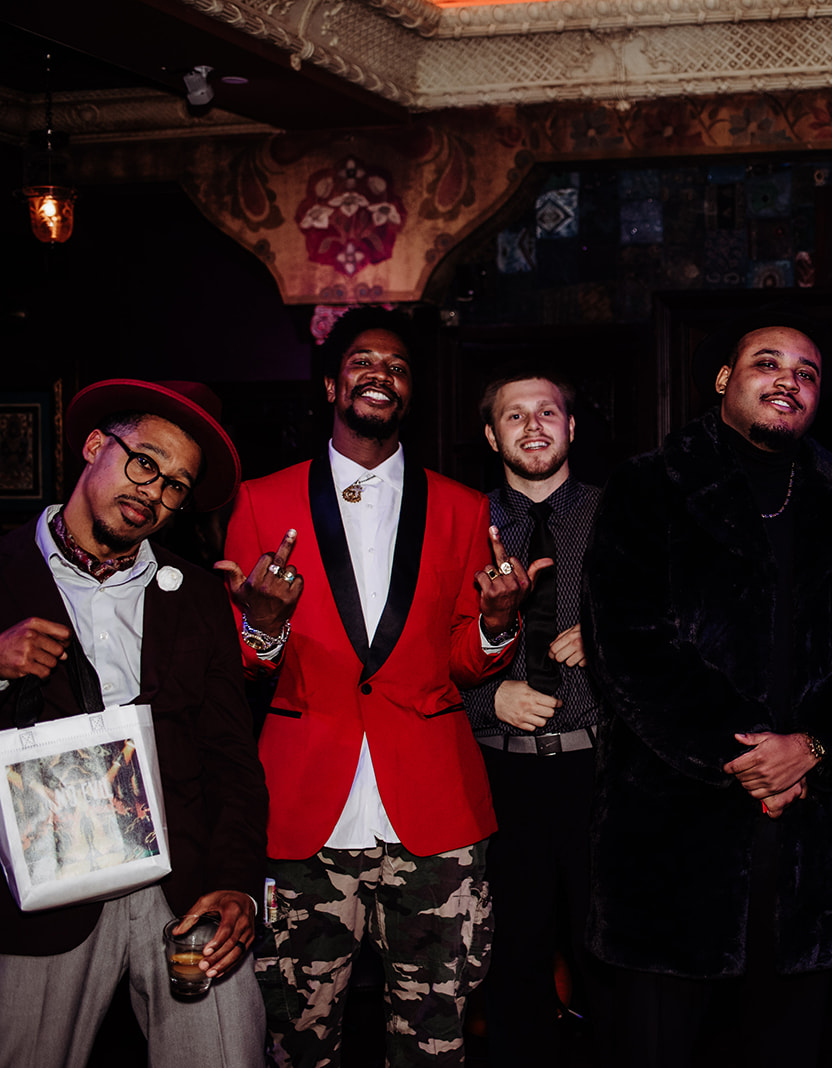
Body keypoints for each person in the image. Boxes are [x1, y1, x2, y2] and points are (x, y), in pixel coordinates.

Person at [582, 306, 832, 1067]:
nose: (788, 381)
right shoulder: (649, 484)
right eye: (768, 363)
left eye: (806, 373)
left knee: (789, 1045)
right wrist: (749, 753)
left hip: (810, 840)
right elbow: (628, 644)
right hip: (673, 832)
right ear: (724, 379)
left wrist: (813, 747)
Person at [217, 307, 535, 1066]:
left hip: (434, 815)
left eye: (396, 367)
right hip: (303, 814)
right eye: (363, 361)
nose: (380, 375)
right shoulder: (262, 501)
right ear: (332, 383)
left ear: (410, 392)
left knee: (435, 1044)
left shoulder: (463, 508)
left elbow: (464, 661)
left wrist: (495, 625)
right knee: (294, 1043)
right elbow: (240, 662)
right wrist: (261, 626)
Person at [0, 379, 267, 1066]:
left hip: (179, 885)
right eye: (144, 462)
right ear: (95, 446)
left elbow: (233, 759)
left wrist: (236, 881)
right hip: (39, 894)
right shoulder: (3, 570)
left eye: (175, 485)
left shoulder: (200, 594)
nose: (154, 490)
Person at [461, 366, 609, 1063]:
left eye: (546, 412)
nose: (533, 427)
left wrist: (608, 650)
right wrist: (486, 699)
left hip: (603, 773)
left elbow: (680, 632)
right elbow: (415, 652)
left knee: (609, 959)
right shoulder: (460, 524)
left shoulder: (620, 516)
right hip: (499, 776)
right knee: (510, 960)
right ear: (492, 435)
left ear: (570, 426)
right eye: (514, 416)